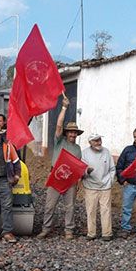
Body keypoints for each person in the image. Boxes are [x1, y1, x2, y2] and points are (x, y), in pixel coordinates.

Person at [37, 96, 83, 240]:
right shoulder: (59, 142)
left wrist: (78, 181)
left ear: (77, 134)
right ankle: (46, 228)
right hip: (56, 177)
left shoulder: (78, 148)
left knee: (70, 206)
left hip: (70, 181)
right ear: (66, 133)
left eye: (74, 132)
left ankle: (69, 230)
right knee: (50, 205)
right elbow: (58, 125)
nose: (72, 134)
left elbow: (77, 166)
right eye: (70, 131)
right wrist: (63, 108)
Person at [81, 133, 115, 241]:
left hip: (105, 186)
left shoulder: (106, 152)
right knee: (91, 210)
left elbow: (112, 169)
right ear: (90, 142)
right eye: (95, 141)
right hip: (90, 186)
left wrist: (109, 181)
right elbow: (81, 170)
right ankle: (91, 233)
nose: (98, 142)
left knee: (106, 210)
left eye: (99, 140)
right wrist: (87, 172)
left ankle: (107, 233)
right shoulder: (84, 153)